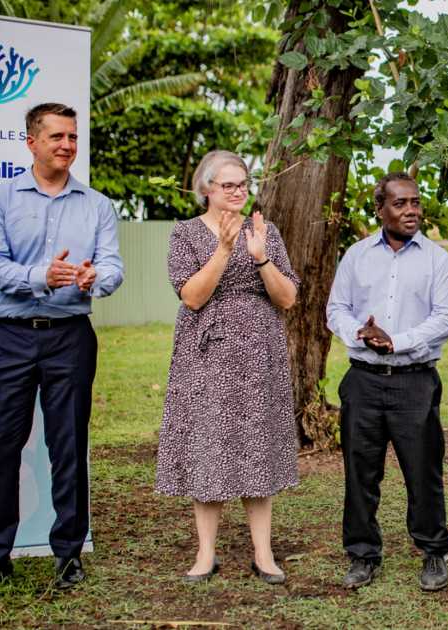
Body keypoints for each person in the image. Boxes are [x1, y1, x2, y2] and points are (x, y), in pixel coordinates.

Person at [0, 103, 124, 599]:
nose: (67, 145)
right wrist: (39, 276)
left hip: (70, 337)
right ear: (31, 142)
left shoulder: (97, 205)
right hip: (8, 338)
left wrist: (97, 278)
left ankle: (69, 554)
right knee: (0, 449)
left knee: (68, 447)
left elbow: (113, 267)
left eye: (72, 137)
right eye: (56, 137)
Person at [154, 150, 300, 584]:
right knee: (209, 445)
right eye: (228, 185)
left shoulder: (266, 232)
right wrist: (223, 249)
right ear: (207, 190)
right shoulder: (184, 234)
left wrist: (260, 256)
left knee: (257, 443)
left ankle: (264, 553)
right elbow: (193, 296)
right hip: (207, 352)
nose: (238, 191)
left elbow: (288, 298)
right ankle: (205, 554)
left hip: (259, 351)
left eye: (243, 184)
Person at [326, 172, 448, 592]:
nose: (411, 211)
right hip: (363, 381)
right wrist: (359, 334)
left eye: (415, 203)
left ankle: (433, 550)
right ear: (380, 209)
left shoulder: (438, 259)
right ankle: (362, 554)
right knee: (360, 472)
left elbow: (446, 318)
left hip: (415, 381)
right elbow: (337, 308)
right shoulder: (357, 255)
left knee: (423, 471)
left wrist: (395, 342)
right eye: (400, 203)